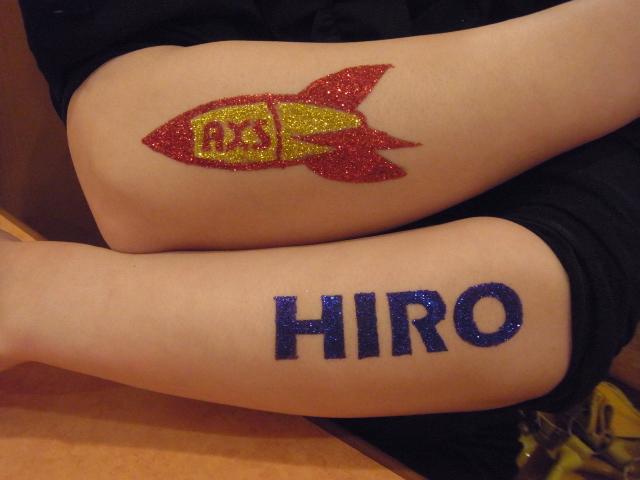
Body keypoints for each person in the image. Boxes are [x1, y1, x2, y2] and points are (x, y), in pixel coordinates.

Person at [2, 0, 639, 478]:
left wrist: (46, 296)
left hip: (405, 448)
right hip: (117, 402)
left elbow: (548, 299)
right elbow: (135, 163)